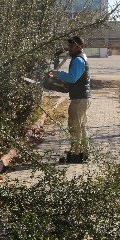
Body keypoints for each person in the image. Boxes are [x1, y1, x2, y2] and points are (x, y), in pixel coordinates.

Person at [49, 36, 91, 164]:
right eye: (69, 46)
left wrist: (58, 74)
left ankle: (76, 154)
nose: (69, 48)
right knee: (81, 127)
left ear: (79, 46)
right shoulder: (80, 58)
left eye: (71, 46)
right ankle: (83, 152)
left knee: (75, 127)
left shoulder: (78, 60)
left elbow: (73, 78)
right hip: (82, 98)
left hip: (79, 100)